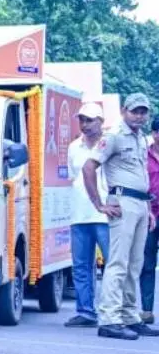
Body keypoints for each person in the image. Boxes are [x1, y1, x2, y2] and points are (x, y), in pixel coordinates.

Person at [82, 93, 159, 341]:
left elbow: (141, 176)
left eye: (143, 112)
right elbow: (89, 167)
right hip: (122, 202)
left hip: (140, 203)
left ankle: (129, 315)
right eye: (135, 111)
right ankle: (109, 319)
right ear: (124, 110)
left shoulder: (140, 138)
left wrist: (148, 209)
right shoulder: (114, 135)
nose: (139, 116)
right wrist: (99, 204)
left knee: (135, 264)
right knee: (118, 263)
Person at [64, 102, 110, 328]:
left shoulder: (109, 144)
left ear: (101, 121)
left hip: (106, 216)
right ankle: (85, 311)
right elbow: (73, 177)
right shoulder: (74, 147)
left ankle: (112, 311)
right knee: (81, 266)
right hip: (79, 214)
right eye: (82, 120)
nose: (85, 124)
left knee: (112, 265)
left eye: (90, 120)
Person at [141, 116, 159, 325]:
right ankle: (146, 311)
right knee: (147, 263)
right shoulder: (143, 155)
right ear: (154, 134)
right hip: (149, 213)